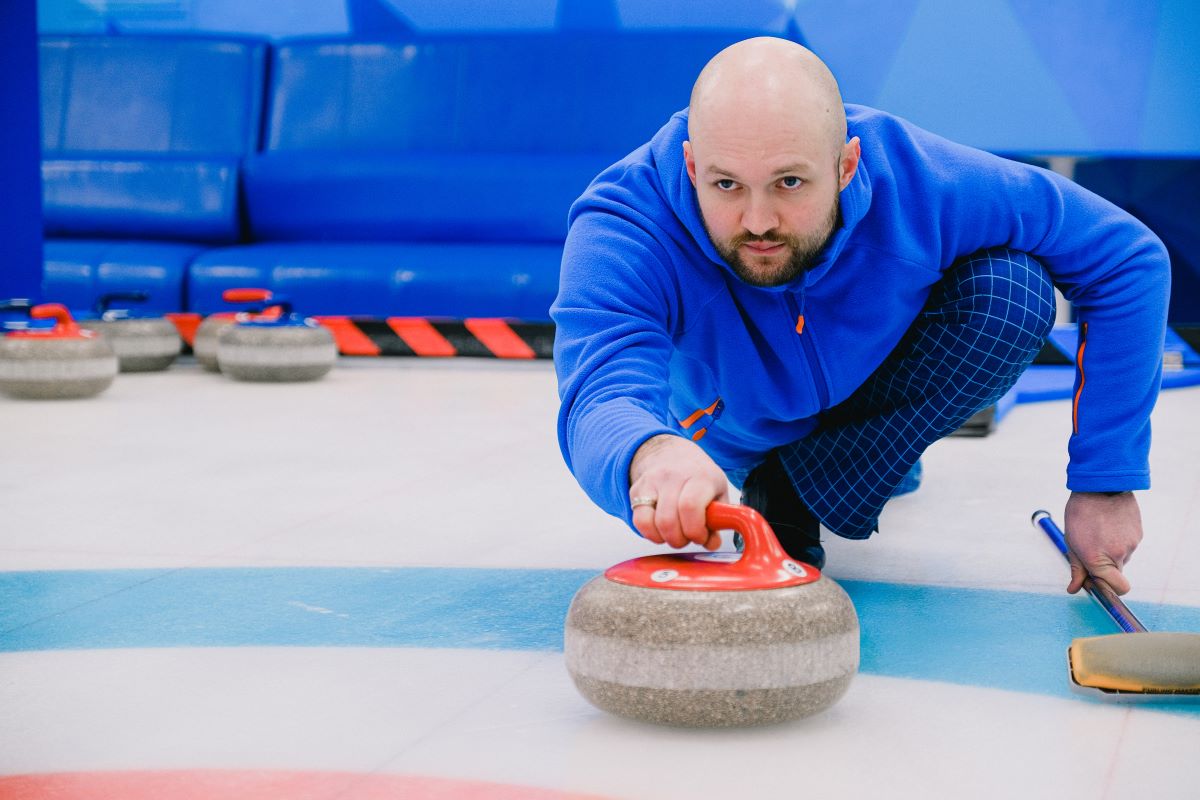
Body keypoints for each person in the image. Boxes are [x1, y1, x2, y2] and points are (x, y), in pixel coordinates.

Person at [551, 37, 1169, 595]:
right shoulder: (625, 222)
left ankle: (803, 485)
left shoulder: (917, 176)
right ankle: (783, 483)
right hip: (724, 440)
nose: (758, 220)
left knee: (1015, 290)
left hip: (870, 404)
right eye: (726, 185)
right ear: (691, 167)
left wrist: (1105, 479)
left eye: (790, 182)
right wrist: (651, 454)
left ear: (848, 166)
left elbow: (1128, 256)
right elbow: (597, 392)